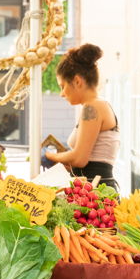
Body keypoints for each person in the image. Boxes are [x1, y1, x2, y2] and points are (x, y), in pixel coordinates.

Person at [44, 43, 120, 190]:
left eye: (62, 86)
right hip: (94, 189)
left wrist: (50, 156)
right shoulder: (96, 105)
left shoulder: (92, 107)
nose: (62, 94)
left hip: (96, 192)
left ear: (77, 81)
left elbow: (80, 159)